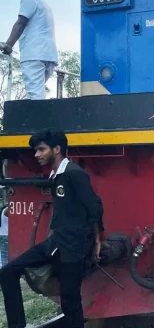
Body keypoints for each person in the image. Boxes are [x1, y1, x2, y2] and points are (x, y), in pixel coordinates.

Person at [0, 129, 104, 328]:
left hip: (74, 246)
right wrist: (51, 234)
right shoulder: (57, 175)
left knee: (70, 301)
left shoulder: (75, 174)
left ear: (57, 149)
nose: (36, 155)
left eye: (41, 150)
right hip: (57, 242)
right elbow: (63, 209)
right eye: (36, 150)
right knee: (8, 272)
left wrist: (97, 242)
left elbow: (95, 207)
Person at [1, 0, 58, 100]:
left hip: (34, 54)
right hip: (48, 55)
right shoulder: (44, 4)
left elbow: (21, 22)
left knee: (35, 95)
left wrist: (9, 44)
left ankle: (41, 120)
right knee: (37, 93)